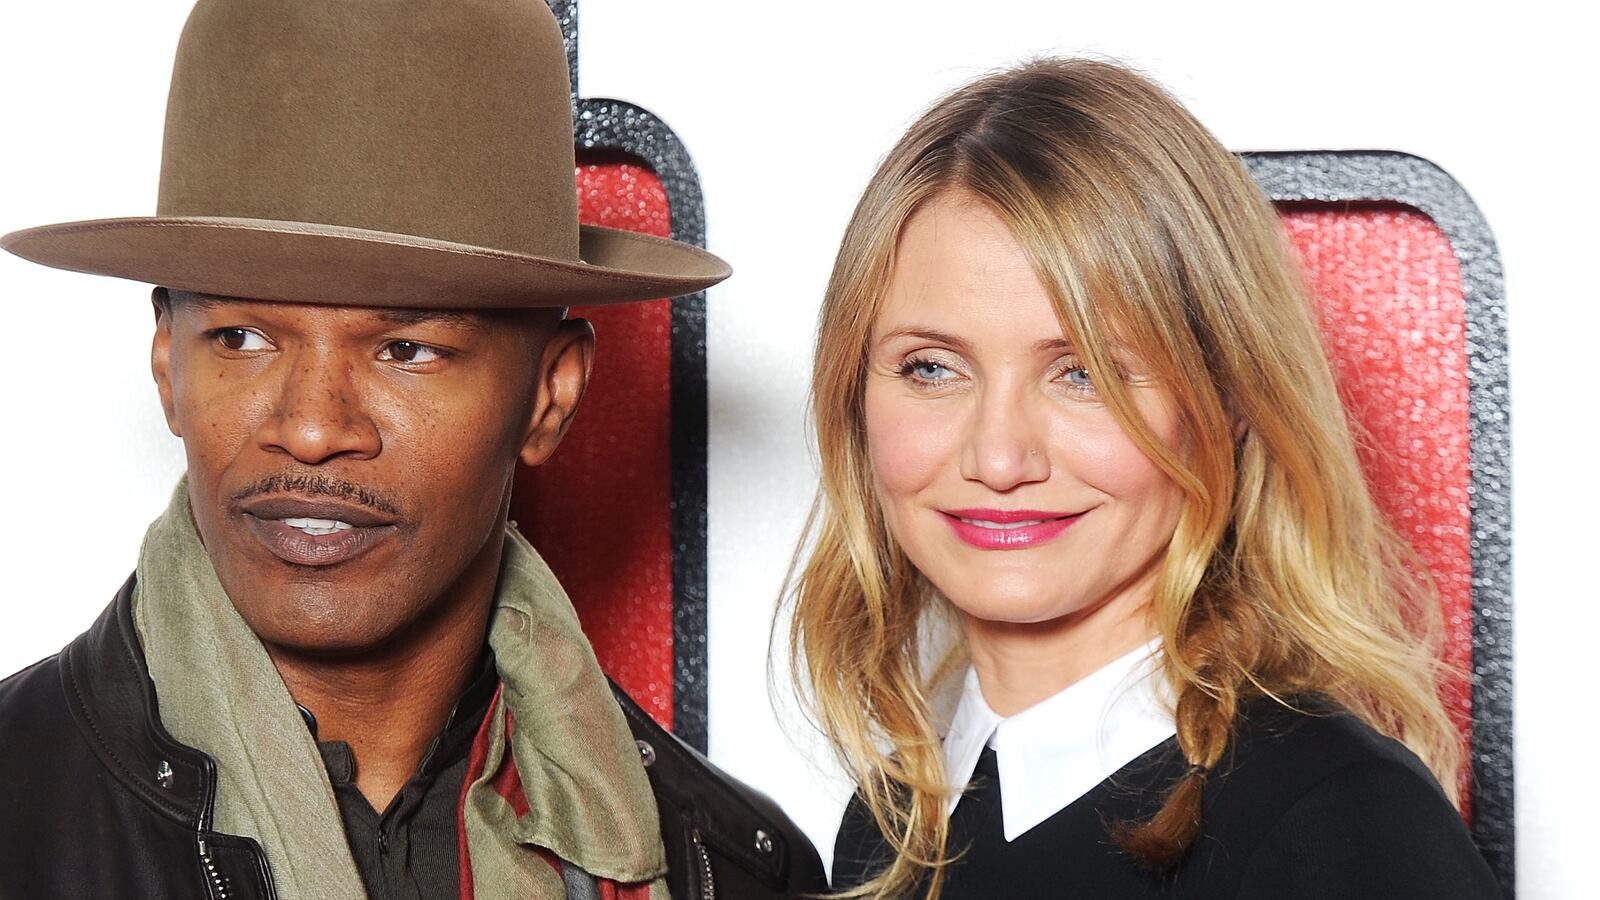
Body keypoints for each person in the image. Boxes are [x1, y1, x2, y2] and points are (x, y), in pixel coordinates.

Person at [0, 1, 824, 898]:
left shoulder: (732, 868)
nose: (313, 429)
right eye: (242, 339)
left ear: (551, 394)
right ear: (168, 366)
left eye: (408, 349)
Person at [789, 58, 1502, 898]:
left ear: (1231, 396)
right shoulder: (890, 830)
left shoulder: (1344, 824)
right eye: (933, 368)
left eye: (1084, 372)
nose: (998, 458)